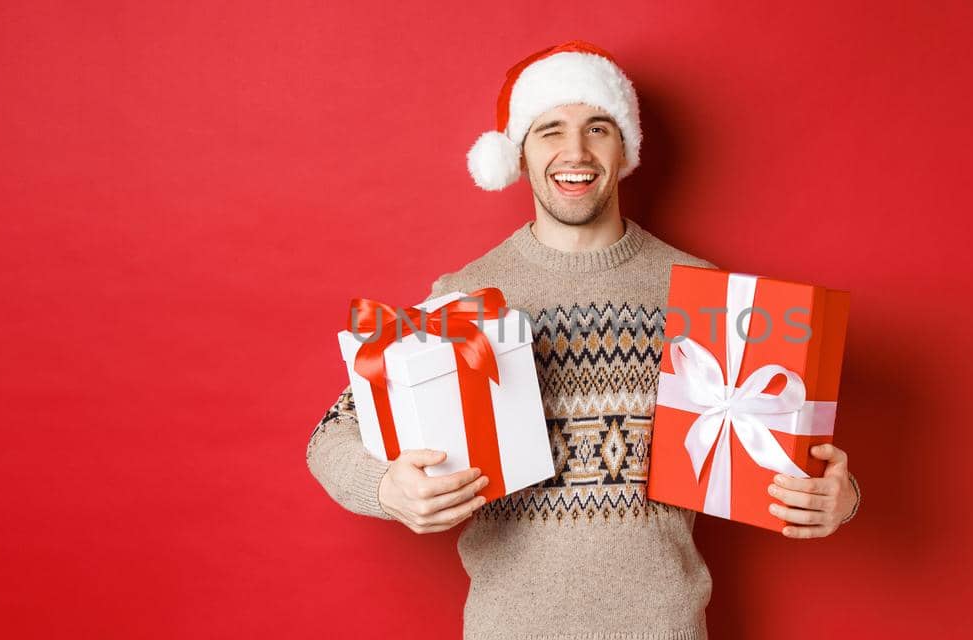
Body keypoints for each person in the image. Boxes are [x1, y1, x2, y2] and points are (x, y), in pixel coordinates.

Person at [306, 40, 860, 639]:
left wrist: (840, 496)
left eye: (597, 127)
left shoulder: (702, 291)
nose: (575, 151)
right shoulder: (467, 293)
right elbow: (331, 434)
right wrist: (388, 488)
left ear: (624, 146)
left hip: (663, 628)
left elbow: (785, 453)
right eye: (550, 130)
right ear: (518, 151)